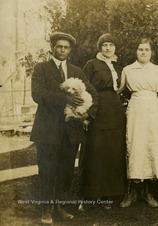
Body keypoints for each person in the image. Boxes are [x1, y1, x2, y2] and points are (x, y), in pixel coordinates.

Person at [31, 32, 98, 224]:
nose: (62, 50)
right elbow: (38, 94)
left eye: (66, 47)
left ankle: (60, 207)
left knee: (65, 171)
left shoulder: (77, 71)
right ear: (53, 47)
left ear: (70, 50)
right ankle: (46, 210)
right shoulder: (41, 69)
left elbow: (93, 93)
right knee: (47, 170)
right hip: (47, 129)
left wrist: (88, 113)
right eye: (59, 46)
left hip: (71, 130)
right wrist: (65, 99)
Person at [118, 38, 158, 208]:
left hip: (153, 109)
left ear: (152, 52)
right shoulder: (128, 70)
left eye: (146, 50)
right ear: (136, 51)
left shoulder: (157, 70)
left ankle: (147, 191)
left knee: (151, 145)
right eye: (140, 49)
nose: (143, 52)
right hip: (136, 108)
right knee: (134, 145)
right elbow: (118, 89)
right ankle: (132, 190)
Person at [78, 33, 127, 210]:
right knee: (94, 151)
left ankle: (107, 195)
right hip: (97, 109)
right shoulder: (92, 64)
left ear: (115, 47)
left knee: (112, 153)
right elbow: (83, 89)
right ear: (100, 47)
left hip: (115, 110)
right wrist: (86, 113)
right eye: (104, 45)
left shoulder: (119, 65)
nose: (108, 48)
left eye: (111, 45)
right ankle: (89, 196)